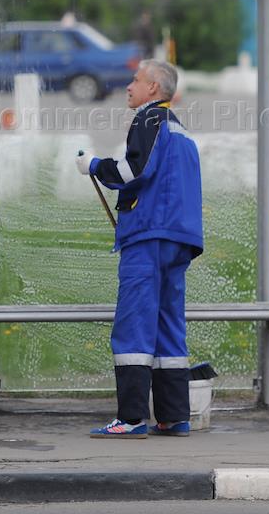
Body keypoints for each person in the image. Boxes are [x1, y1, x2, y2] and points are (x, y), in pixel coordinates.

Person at [76, 59, 203, 438]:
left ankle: (131, 418)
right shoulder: (181, 130)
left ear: (154, 89)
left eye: (136, 80)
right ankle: (173, 416)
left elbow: (135, 171)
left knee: (133, 325)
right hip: (179, 241)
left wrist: (95, 165)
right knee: (168, 327)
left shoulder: (149, 120)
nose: (129, 86)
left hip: (148, 238)